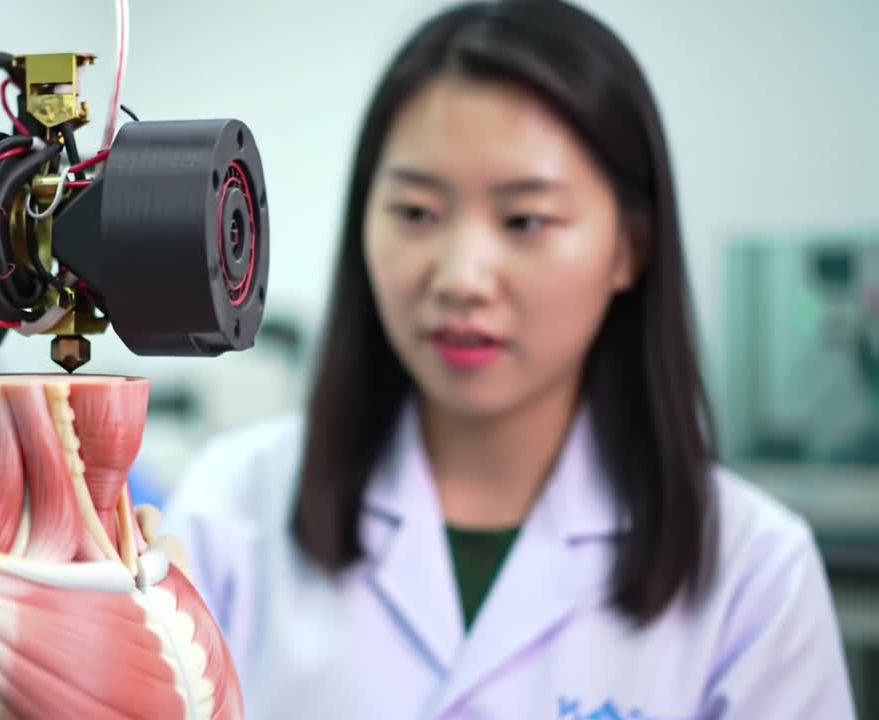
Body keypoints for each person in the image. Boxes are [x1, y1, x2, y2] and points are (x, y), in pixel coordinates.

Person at [154, 1, 859, 718]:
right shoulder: (232, 509)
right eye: (416, 213)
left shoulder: (753, 571)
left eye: (526, 220)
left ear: (629, 248)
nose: (461, 275)